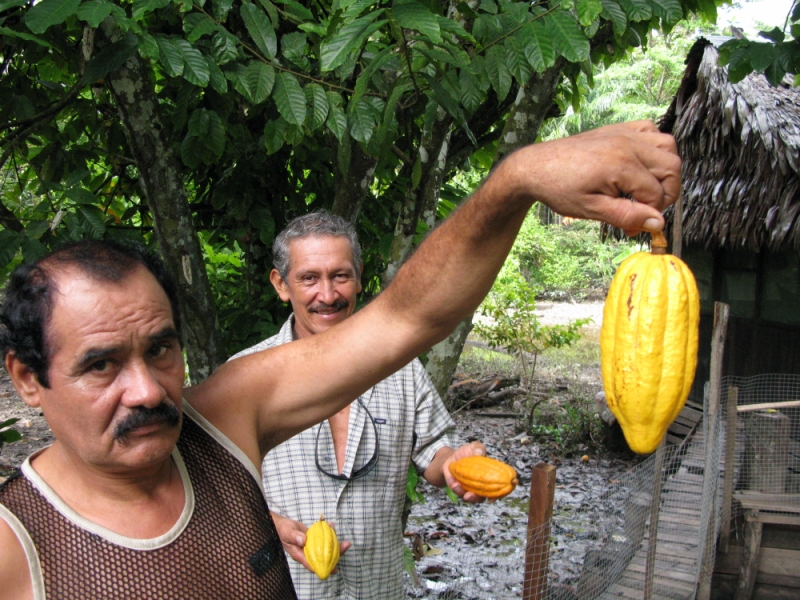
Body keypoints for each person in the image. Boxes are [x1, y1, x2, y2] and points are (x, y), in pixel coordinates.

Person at [0, 121, 680, 599]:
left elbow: (409, 317)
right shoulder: (17, 546)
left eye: (161, 349)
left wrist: (517, 179)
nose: (147, 389)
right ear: (28, 379)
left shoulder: (225, 419)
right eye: (100, 366)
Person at [229, 212, 490, 598]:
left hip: (378, 588)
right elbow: (209, 493)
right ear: (280, 284)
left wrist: (454, 464)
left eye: (340, 275)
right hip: (283, 589)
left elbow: (435, 450)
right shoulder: (244, 378)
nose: (328, 295)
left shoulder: (399, 369)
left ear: (359, 276)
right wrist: (265, 523)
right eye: (309, 278)